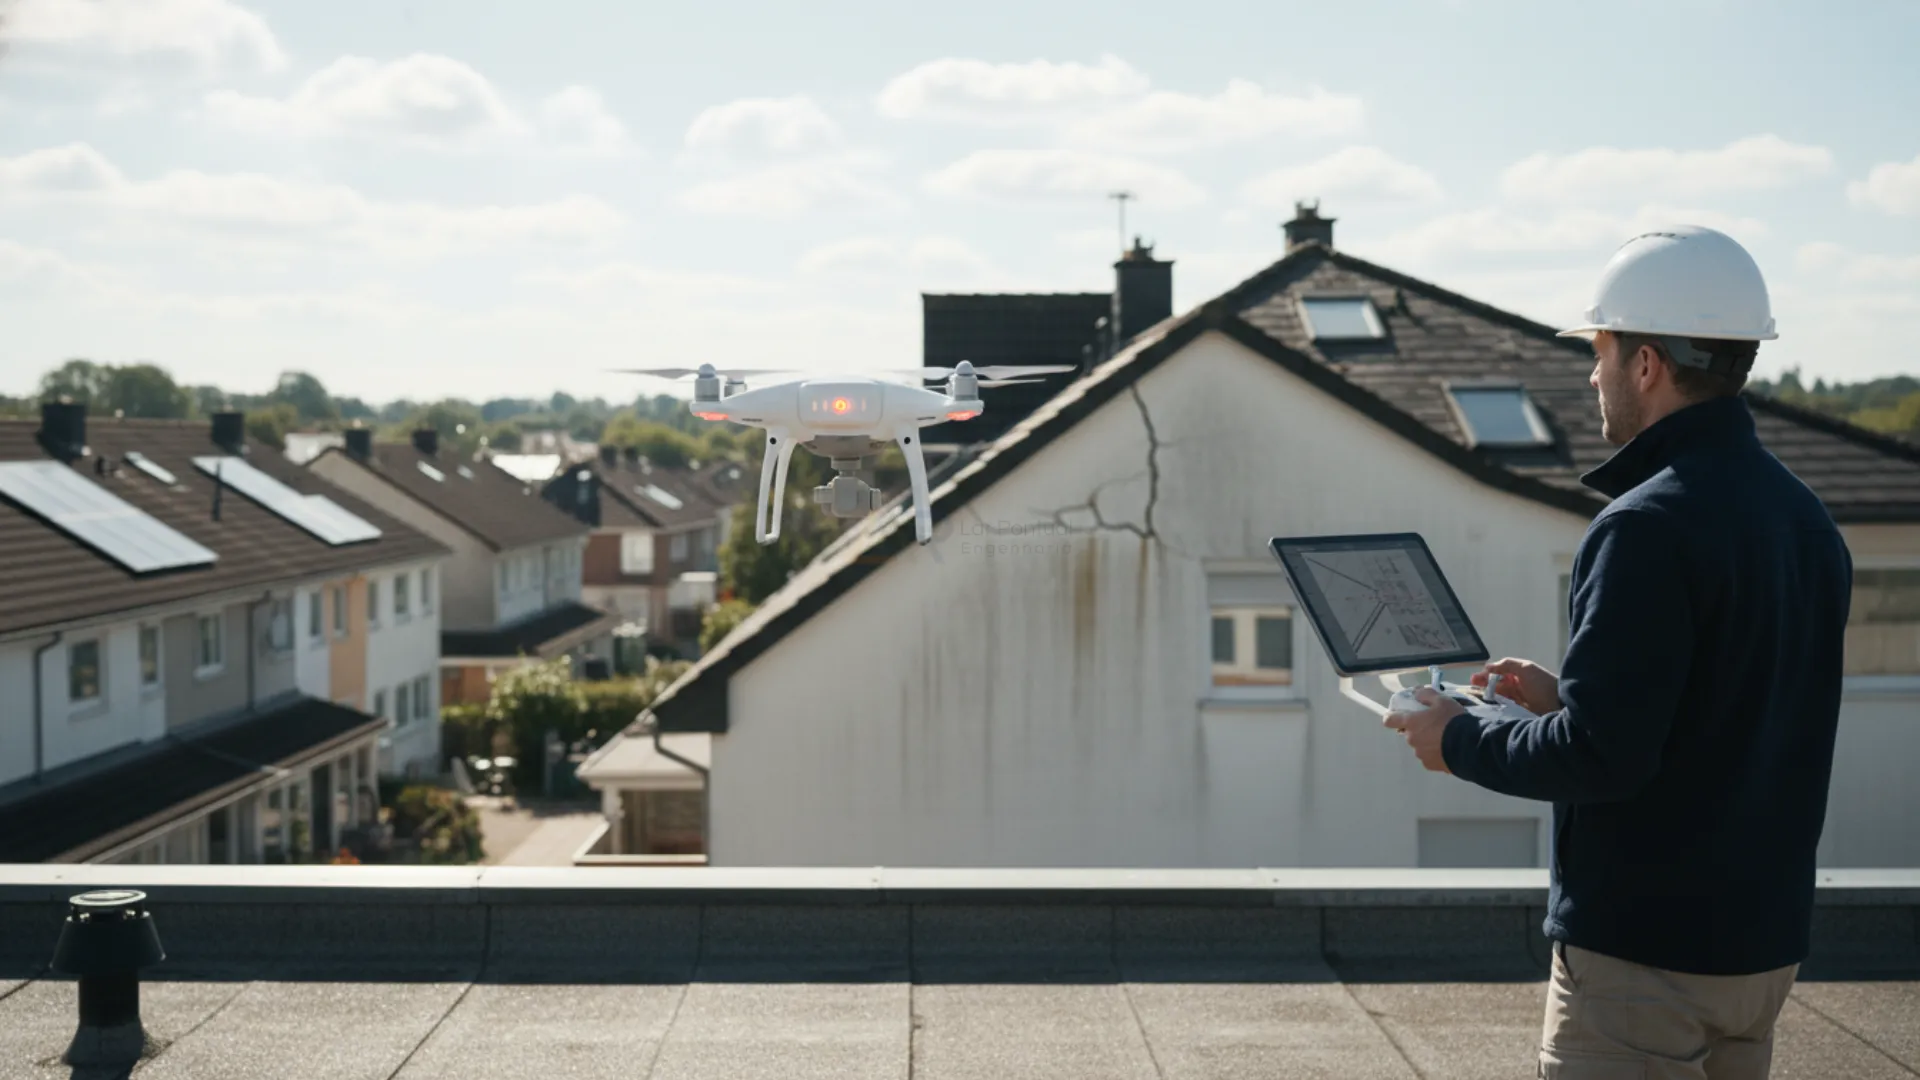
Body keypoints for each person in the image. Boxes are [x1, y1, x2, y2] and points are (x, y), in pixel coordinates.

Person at [1383, 225, 1854, 1079]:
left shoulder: (1644, 526)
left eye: (1599, 352)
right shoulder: (1806, 520)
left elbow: (1603, 759)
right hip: (1761, 950)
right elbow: (1728, 716)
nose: (1591, 375)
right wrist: (1566, 700)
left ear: (1646, 364)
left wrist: (1456, 739)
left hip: (1649, 959)